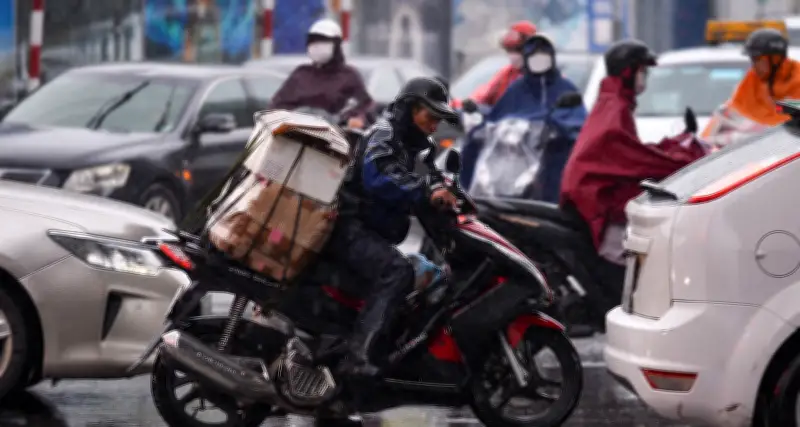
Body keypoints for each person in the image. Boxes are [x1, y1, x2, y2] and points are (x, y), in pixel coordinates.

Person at [326, 77, 458, 386]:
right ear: (410, 109)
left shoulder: (416, 145)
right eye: (429, 116)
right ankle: (359, 357)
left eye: (438, 119)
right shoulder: (384, 135)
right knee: (397, 271)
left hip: (370, 231)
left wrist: (445, 189)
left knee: (421, 272)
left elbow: (431, 174)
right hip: (351, 229)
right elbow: (380, 178)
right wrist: (425, 191)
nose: (434, 125)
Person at [560, 39, 706, 268]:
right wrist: (680, 161)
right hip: (598, 200)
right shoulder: (615, 108)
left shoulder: (613, 101)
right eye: (643, 71)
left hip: (595, 194)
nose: (645, 77)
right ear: (628, 72)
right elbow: (631, 156)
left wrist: (671, 146)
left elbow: (631, 150)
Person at [460, 34, 587, 201]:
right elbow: (498, 115)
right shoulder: (517, 88)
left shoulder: (565, 88)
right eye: (534, 57)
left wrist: (558, 126)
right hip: (514, 161)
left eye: (543, 56)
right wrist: (480, 114)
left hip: (552, 160)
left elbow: (578, 122)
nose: (539, 62)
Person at [270, 19, 373, 125]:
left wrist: (354, 118)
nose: (317, 45)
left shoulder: (348, 76)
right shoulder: (301, 73)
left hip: (334, 131)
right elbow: (278, 104)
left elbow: (364, 106)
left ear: (336, 45)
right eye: (313, 41)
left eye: (323, 41)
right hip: (297, 131)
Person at [701, 28, 800, 140]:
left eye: (758, 59)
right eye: (752, 59)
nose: (754, 65)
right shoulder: (753, 81)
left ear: (775, 59)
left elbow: (786, 117)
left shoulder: (796, 79)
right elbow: (733, 109)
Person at [463, 21, 537, 110]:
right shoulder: (507, 73)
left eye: (517, 49)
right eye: (509, 49)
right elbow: (485, 92)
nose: (513, 55)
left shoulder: (542, 77)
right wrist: (471, 103)